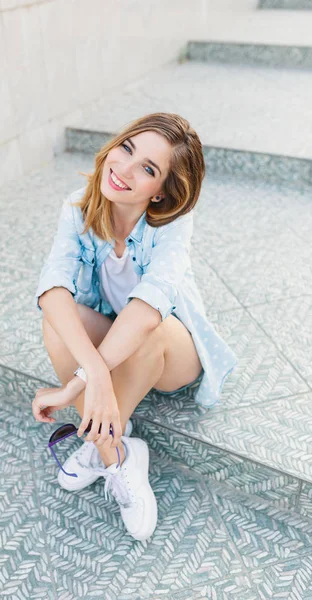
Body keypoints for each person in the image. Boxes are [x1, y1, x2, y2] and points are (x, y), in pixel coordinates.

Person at [32, 112, 238, 541]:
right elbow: (52, 287)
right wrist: (95, 374)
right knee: (57, 321)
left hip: (171, 352)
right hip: (115, 335)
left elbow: (148, 310)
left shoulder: (172, 224)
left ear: (161, 192)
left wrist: (78, 384)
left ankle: (102, 447)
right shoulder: (78, 208)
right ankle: (120, 450)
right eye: (126, 149)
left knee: (150, 327)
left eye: (147, 168)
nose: (123, 169)